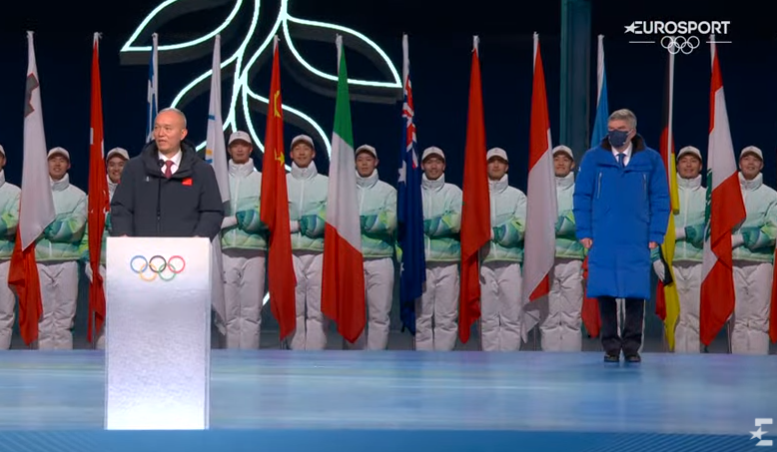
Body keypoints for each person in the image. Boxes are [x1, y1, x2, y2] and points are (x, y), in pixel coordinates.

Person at [573, 109, 670, 363]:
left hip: (637, 237)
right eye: (611, 130)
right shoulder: (593, 158)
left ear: (633, 132)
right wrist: (584, 231)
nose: (615, 134)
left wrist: (656, 233)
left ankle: (631, 346)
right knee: (605, 292)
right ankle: (611, 346)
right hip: (603, 237)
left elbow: (661, 199)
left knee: (635, 293)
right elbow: (581, 197)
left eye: (621, 130)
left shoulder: (651, 160)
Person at [110, 108, 224, 239]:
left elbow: (212, 212)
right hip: (141, 250)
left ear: (182, 134)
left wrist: (198, 239)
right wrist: (124, 236)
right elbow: (121, 208)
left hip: (186, 250)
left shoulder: (202, 171)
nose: (160, 134)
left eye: (167, 128)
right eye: (157, 128)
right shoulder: (134, 168)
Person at [652, 146, 706, 353]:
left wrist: (684, 232)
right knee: (676, 317)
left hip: (698, 263)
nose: (688, 165)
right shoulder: (666, 197)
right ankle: (675, 363)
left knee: (695, 316)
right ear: (676, 165)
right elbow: (654, 229)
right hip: (671, 263)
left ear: (700, 166)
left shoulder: (708, 196)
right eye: (684, 161)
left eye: (693, 161)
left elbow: (713, 228)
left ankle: (695, 362)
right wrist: (655, 258)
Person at [345, 144, 397, 350]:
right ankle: (353, 358)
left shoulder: (388, 191)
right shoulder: (346, 191)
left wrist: (358, 220)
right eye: (360, 160)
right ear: (354, 163)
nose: (364, 163)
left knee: (380, 314)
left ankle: (376, 360)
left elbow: (390, 221)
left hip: (380, 259)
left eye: (368, 159)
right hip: (352, 260)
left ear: (376, 162)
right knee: (352, 313)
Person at [36, 147, 87, 349]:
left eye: (62, 160)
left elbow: (76, 226)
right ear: (46, 164)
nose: (57, 164)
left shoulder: (79, 195)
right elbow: (30, 223)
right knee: (44, 316)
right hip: (40, 261)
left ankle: (64, 361)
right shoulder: (35, 193)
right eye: (53, 160)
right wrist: (54, 225)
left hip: (67, 262)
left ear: (68, 165)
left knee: (65, 317)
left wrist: (49, 228)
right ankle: (44, 361)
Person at [219, 131, 267, 349]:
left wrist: (258, 220)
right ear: (229, 150)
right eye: (235, 145)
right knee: (228, 311)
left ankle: (250, 359)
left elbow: (270, 214)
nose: (239, 149)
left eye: (244, 145)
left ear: (250, 149)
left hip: (255, 251)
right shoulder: (219, 180)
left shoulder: (262, 179)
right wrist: (234, 220)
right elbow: (211, 214)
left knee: (251, 311)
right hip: (226, 250)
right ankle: (228, 359)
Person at [729, 146, 777, 355]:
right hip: (732, 262)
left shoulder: (771, 195)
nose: (750, 163)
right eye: (746, 159)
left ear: (761, 165)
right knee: (737, 317)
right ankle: (737, 365)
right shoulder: (728, 193)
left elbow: (773, 229)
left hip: (760, 263)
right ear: (740, 164)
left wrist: (740, 238)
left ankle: (758, 366)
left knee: (758, 318)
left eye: (755, 160)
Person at [80, 147, 129, 349]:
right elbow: (86, 230)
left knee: (124, 311)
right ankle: (101, 354)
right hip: (101, 263)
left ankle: (123, 353)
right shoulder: (95, 195)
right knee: (103, 309)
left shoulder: (136, 193)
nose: (116, 169)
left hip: (127, 263)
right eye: (112, 165)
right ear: (106, 167)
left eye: (121, 165)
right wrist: (87, 258)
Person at [480, 147, 526, 352]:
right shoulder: (477, 195)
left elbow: (520, 228)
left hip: (511, 264)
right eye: (492, 161)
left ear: (506, 167)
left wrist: (490, 233)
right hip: (484, 263)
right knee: (488, 318)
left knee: (511, 316)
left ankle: (510, 362)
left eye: (500, 161)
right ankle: (489, 362)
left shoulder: (518, 196)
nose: (496, 165)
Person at [541, 145, 585, 351]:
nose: (560, 163)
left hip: (573, 260)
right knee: (548, 317)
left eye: (565, 159)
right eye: (556, 159)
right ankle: (548, 364)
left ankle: (571, 363)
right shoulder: (540, 191)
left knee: (571, 316)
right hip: (545, 261)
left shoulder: (580, 192)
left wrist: (552, 223)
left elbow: (580, 219)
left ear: (572, 164)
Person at [417, 146, 461, 351]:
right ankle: (422, 362)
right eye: (429, 162)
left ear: (444, 166)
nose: (433, 166)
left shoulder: (454, 192)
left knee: (447, 317)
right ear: (422, 165)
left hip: (448, 263)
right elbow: (404, 225)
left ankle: (444, 362)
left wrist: (422, 225)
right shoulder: (413, 192)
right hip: (421, 264)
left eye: (437, 162)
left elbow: (455, 222)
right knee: (422, 318)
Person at [286, 134, 328, 350]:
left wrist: (296, 225)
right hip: (290, 253)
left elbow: (330, 215)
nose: (301, 152)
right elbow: (275, 216)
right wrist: (299, 225)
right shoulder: (282, 182)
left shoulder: (326, 183)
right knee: (294, 309)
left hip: (318, 253)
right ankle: (295, 356)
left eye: (306, 149)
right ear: (291, 154)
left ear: (313, 153)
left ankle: (316, 357)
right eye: (297, 149)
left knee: (317, 309)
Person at [0, 145, 20, 350]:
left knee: (4, 314)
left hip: (5, 260)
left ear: (4, 161)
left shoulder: (15, 192)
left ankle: (2, 361)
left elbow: (14, 221)